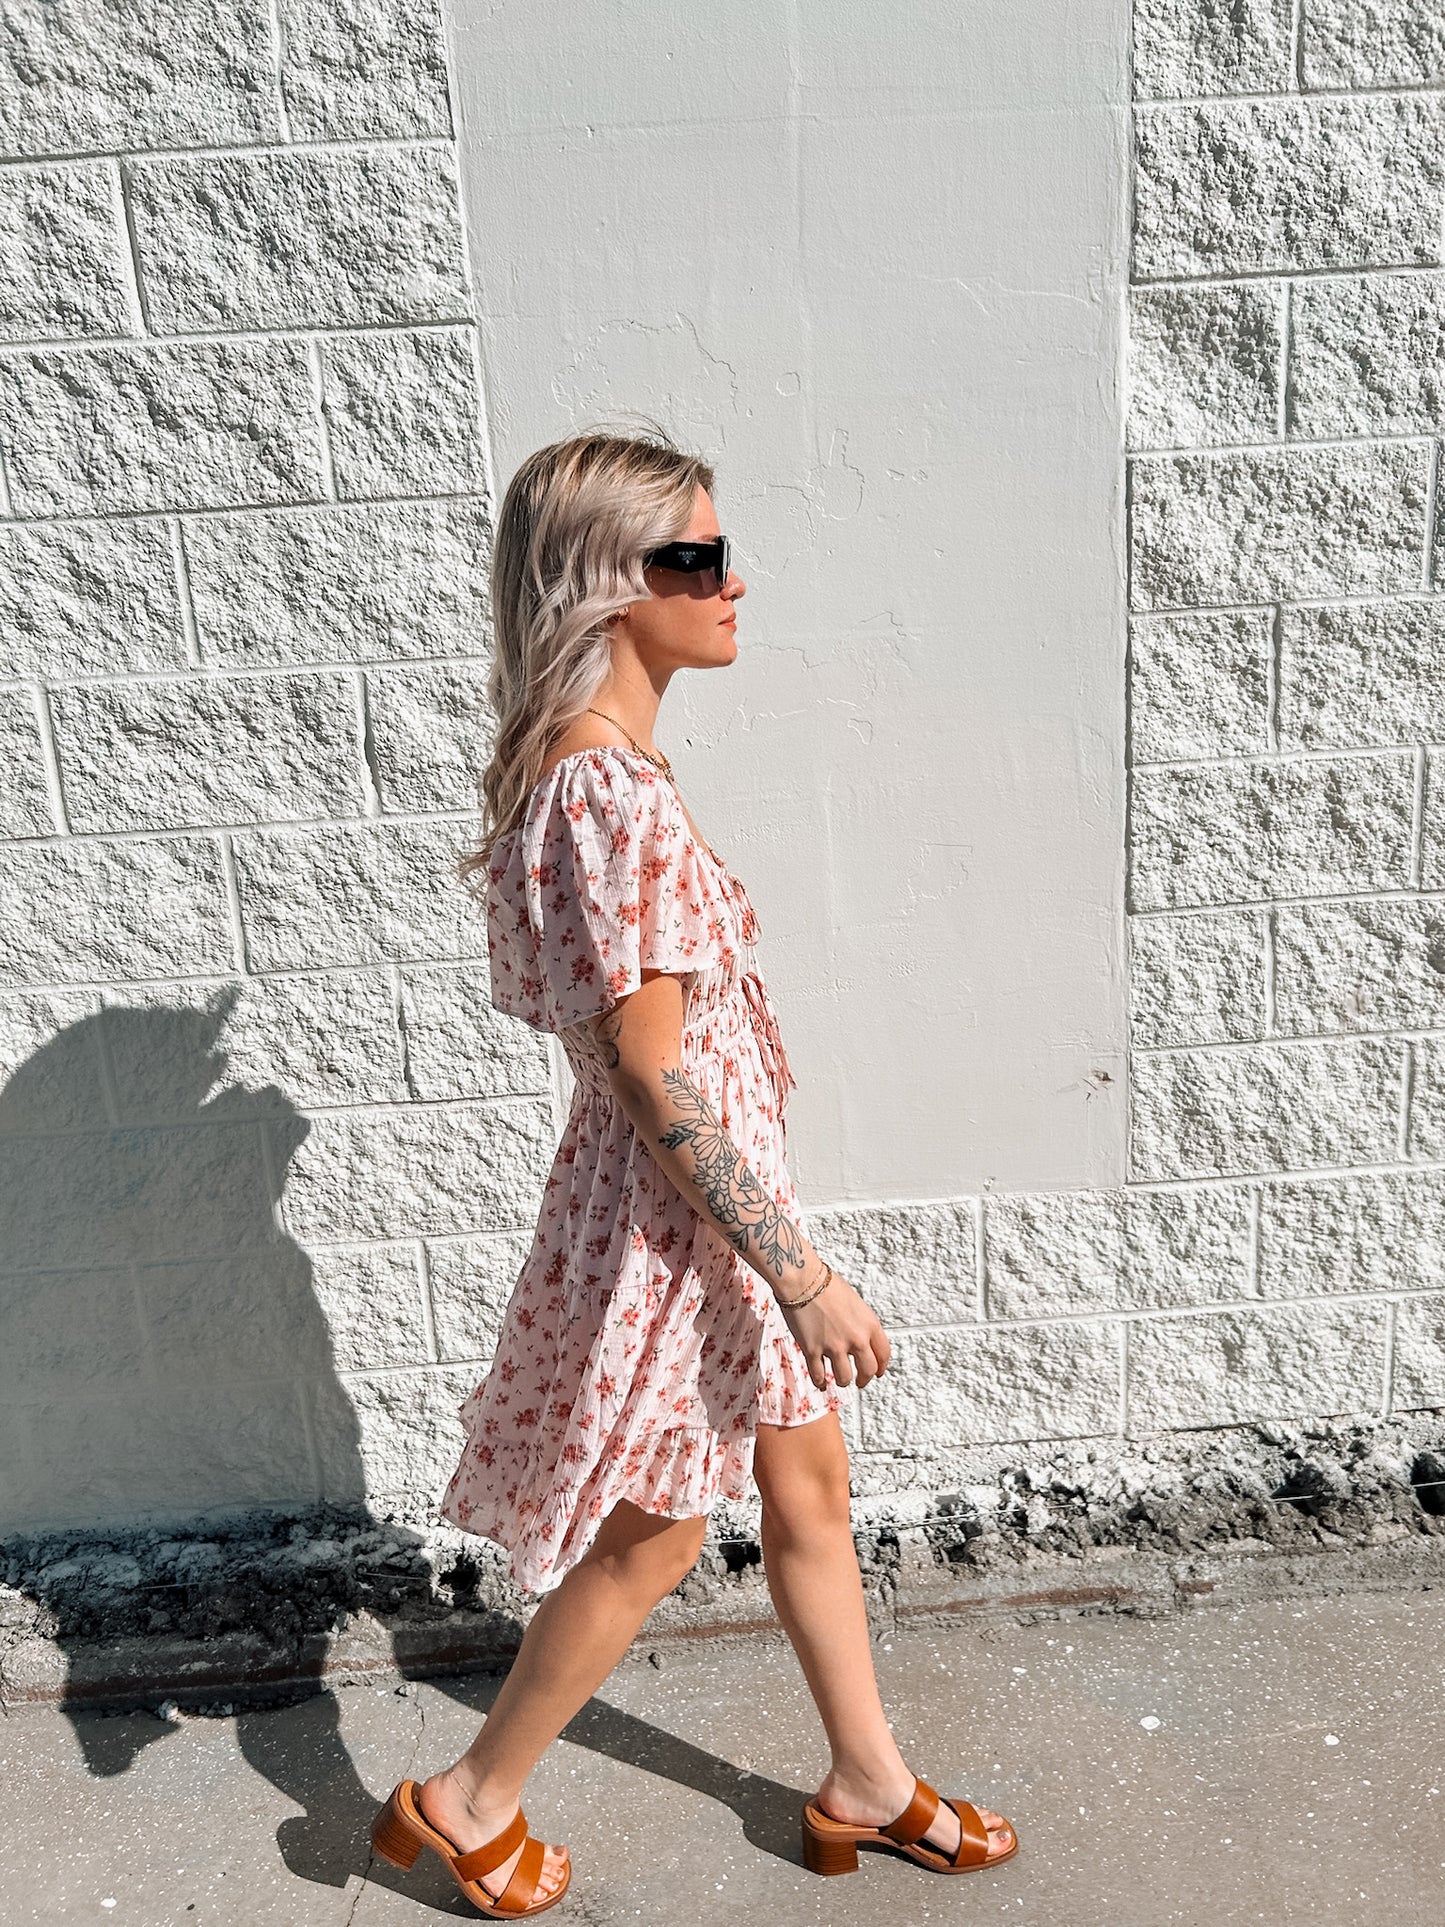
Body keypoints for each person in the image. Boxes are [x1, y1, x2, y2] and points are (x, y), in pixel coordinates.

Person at [369, 429, 1018, 1916]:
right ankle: (466, 1803)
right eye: (692, 559)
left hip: (705, 1206)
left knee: (808, 1486)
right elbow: (657, 1073)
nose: (731, 583)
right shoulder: (609, 799)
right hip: (685, 1229)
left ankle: (863, 1780)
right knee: (657, 1532)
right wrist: (799, 1276)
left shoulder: (603, 775)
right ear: (603, 585)